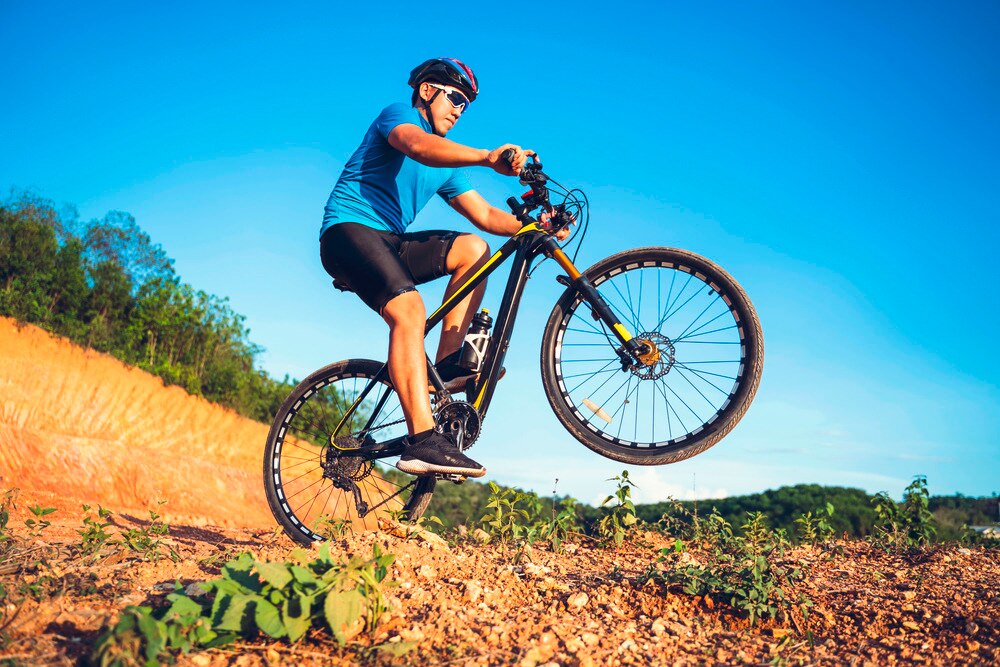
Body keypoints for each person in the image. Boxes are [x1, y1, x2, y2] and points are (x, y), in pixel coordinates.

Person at [319, 57, 566, 479]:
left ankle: (448, 361)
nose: (458, 109)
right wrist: (488, 157)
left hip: (391, 240)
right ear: (428, 91)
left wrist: (538, 224)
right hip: (348, 231)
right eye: (454, 97)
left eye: (466, 105)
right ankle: (422, 442)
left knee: (475, 247)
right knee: (409, 311)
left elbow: (488, 217)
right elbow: (416, 146)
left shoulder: (446, 165)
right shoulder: (400, 117)